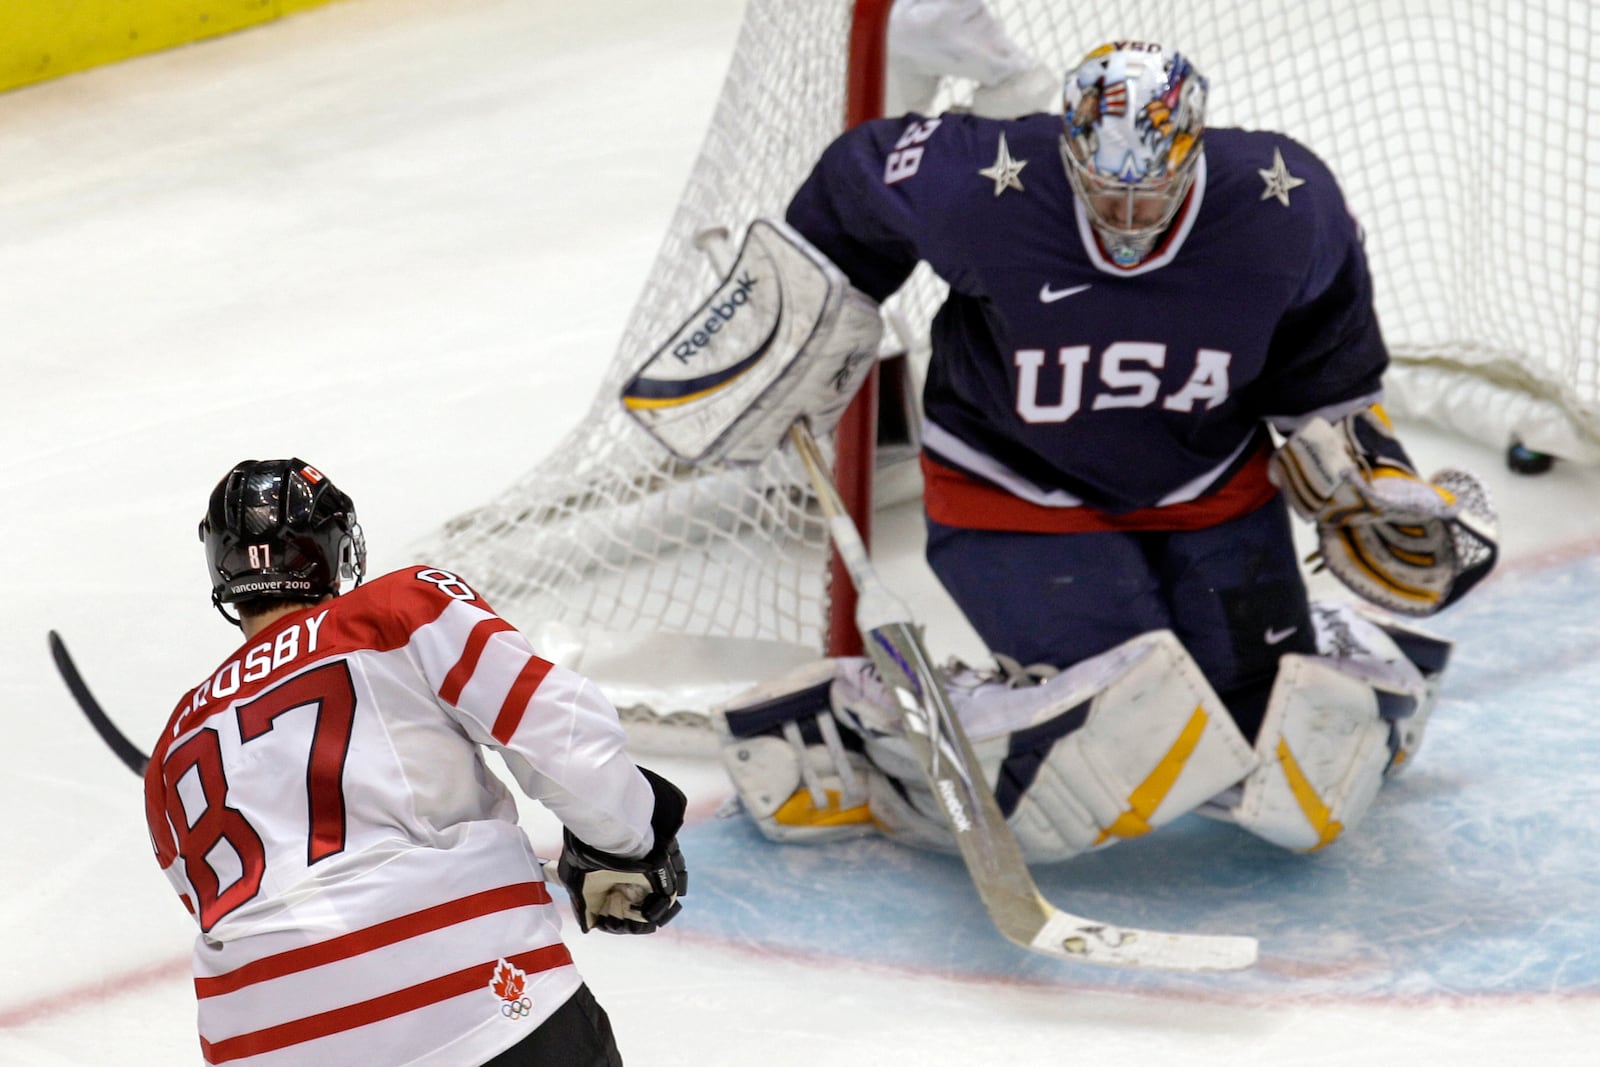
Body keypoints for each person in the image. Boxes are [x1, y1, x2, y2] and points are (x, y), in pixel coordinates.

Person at [711, 42, 1497, 863]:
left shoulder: (1285, 201)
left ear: (1191, 156)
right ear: (1068, 152)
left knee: (1286, 764)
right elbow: (856, 177)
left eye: (1149, 193)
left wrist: (1366, 461)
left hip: (1208, 483)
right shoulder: (984, 184)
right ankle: (860, 726)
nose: (1126, 219)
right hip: (1012, 490)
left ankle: (1340, 639)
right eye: (1104, 192)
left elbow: (1325, 359)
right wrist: (803, 307)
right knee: (1129, 734)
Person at [144, 458, 687, 1066]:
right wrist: (627, 839)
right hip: (468, 1002)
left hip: (263, 1044)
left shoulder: (172, 743)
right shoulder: (397, 608)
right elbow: (560, 735)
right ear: (335, 547)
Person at [886, 0, 1058, 119]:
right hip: (943, 20)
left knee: (887, 124)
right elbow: (1034, 87)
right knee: (1031, 84)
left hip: (883, 21)